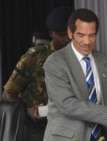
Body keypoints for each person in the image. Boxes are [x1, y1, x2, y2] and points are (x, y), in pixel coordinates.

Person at [42, 8, 107, 141]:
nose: (87, 42)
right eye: (81, 35)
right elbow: (68, 104)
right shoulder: (55, 62)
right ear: (70, 33)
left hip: (101, 136)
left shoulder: (105, 61)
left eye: (92, 35)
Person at [2, 7, 73, 141]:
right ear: (51, 33)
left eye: (70, 35)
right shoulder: (35, 57)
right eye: (62, 35)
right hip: (37, 131)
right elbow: (7, 94)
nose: (67, 40)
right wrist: (28, 109)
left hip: (67, 129)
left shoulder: (79, 58)